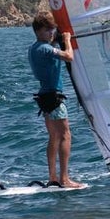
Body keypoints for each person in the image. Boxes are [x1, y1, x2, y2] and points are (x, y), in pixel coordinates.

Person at [28, 13, 87, 188]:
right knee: (65, 135)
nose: (51, 33)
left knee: (53, 137)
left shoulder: (35, 48)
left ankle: (53, 177)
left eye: (53, 29)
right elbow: (69, 56)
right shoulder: (45, 49)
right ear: (39, 31)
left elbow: (51, 48)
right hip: (54, 97)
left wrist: (57, 35)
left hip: (44, 97)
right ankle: (64, 179)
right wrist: (67, 40)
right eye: (48, 30)